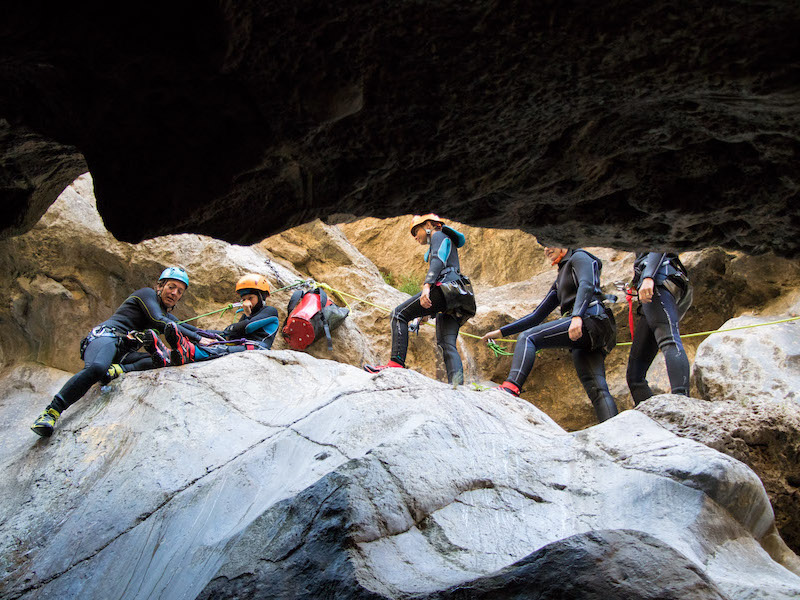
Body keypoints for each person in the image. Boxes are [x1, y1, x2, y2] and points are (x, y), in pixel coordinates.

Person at [30, 267, 211, 437]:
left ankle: (118, 369)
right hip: (106, 338)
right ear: (160, 286)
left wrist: (217, 337)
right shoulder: (146, 295)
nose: (174, 293)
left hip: (124, 352)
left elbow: (186, 328)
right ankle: (51, 412)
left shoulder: (167, 316)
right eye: (171, 287)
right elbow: (159, 320)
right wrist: (199, 339)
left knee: (167, 358)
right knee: (97, 368)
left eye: (180, 291)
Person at [480, 247, 619, 422]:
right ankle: (614, 429)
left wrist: (577, 316)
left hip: (590, 319)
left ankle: (511, 388)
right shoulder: (561, 277)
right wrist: (501, 332)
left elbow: (587, 284)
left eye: (549, 243)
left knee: (528, 337)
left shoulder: (580, 257)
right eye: (543, 246)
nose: (546, 249)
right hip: (585, 329)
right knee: (597, 389)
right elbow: (537, 315)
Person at [364, 214, 476, 385]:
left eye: (416, 231)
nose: (415, 236)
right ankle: (457, 387)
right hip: (459, 293)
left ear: (429, 225)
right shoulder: (448, 240)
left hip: (445, 287)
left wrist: (427, 286)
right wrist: (426, 313)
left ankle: (395, 363)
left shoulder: (438, 235)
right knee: (447, 343)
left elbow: (438, 261)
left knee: (398, 314)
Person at [151, 273, 279, 366]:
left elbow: (246, 328)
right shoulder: (248, 315)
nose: (246, 302)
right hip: (243, 343)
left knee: (223, 348)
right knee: (211, 334)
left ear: (261, 296)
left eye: (250, 298)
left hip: (257, 348)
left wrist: (244, 316)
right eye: (244, 299)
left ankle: (189, 351)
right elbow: (233, 332)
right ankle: (178, 341)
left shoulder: (270, 311)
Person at [626, 252, 693, 404]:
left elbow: (659, 242)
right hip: (661, 282)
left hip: (658, 281)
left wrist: (649, 276)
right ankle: (654, 420)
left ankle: (683, 402)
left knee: (669, 340)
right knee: (634, 376)